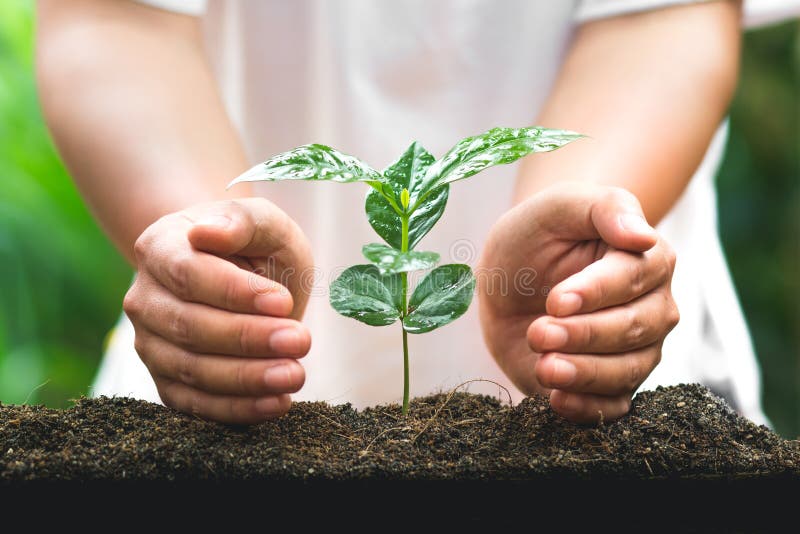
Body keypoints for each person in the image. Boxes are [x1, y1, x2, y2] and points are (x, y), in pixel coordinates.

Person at [34, 0, 795, 426]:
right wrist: (206, 245)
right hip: (206, 411)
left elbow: (663, 16)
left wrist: (569, 256)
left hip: (618, 404)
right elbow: (112, 15)